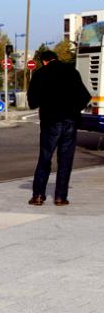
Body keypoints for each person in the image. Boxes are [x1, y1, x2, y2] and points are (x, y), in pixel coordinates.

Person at [27, 50, 91, 206]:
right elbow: (85, 96)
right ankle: (60, 197)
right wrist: (74, 109)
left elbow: (32, 102)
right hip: (70, 121)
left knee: (45, 157)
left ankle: (38, 196)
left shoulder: (40, 74)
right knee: (65, 160)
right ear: (56, 58)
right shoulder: (72, 72)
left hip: (50, 122)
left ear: (44, 61)